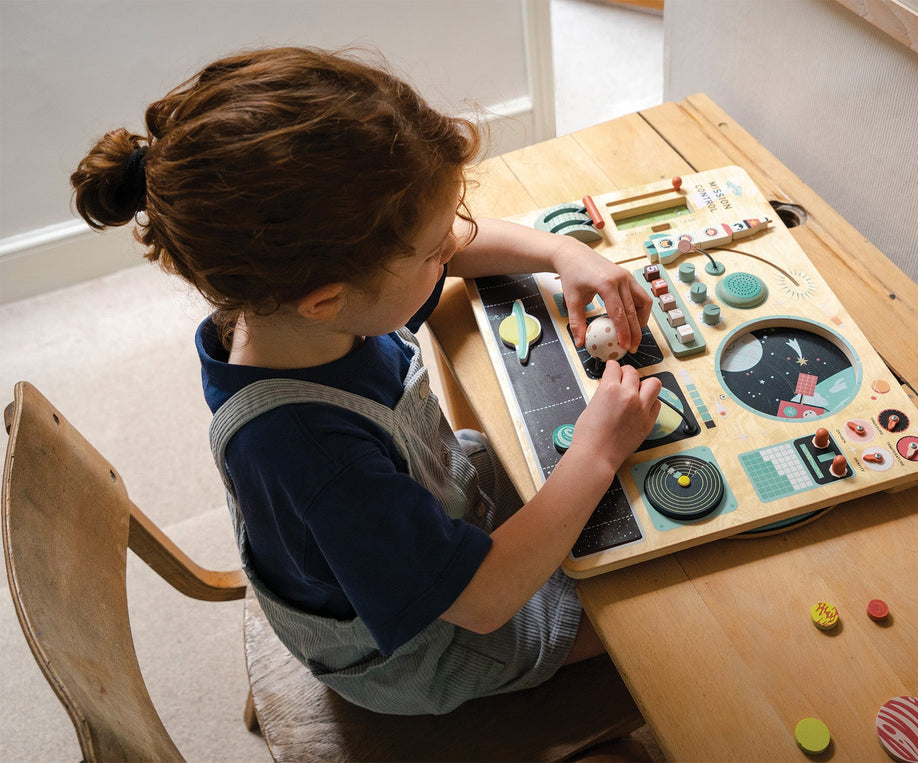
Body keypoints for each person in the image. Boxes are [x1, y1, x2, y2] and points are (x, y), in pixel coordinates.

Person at [71, 46, 661, 715]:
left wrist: (561, 250)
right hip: (425, 649)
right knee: (652, 614)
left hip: (420, 519)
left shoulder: (280, 306)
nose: (455, 245)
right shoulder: (314, 455)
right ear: (326, 299)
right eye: (435, 249)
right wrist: (597, 450)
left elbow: (441, 248)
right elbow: (487, 598)